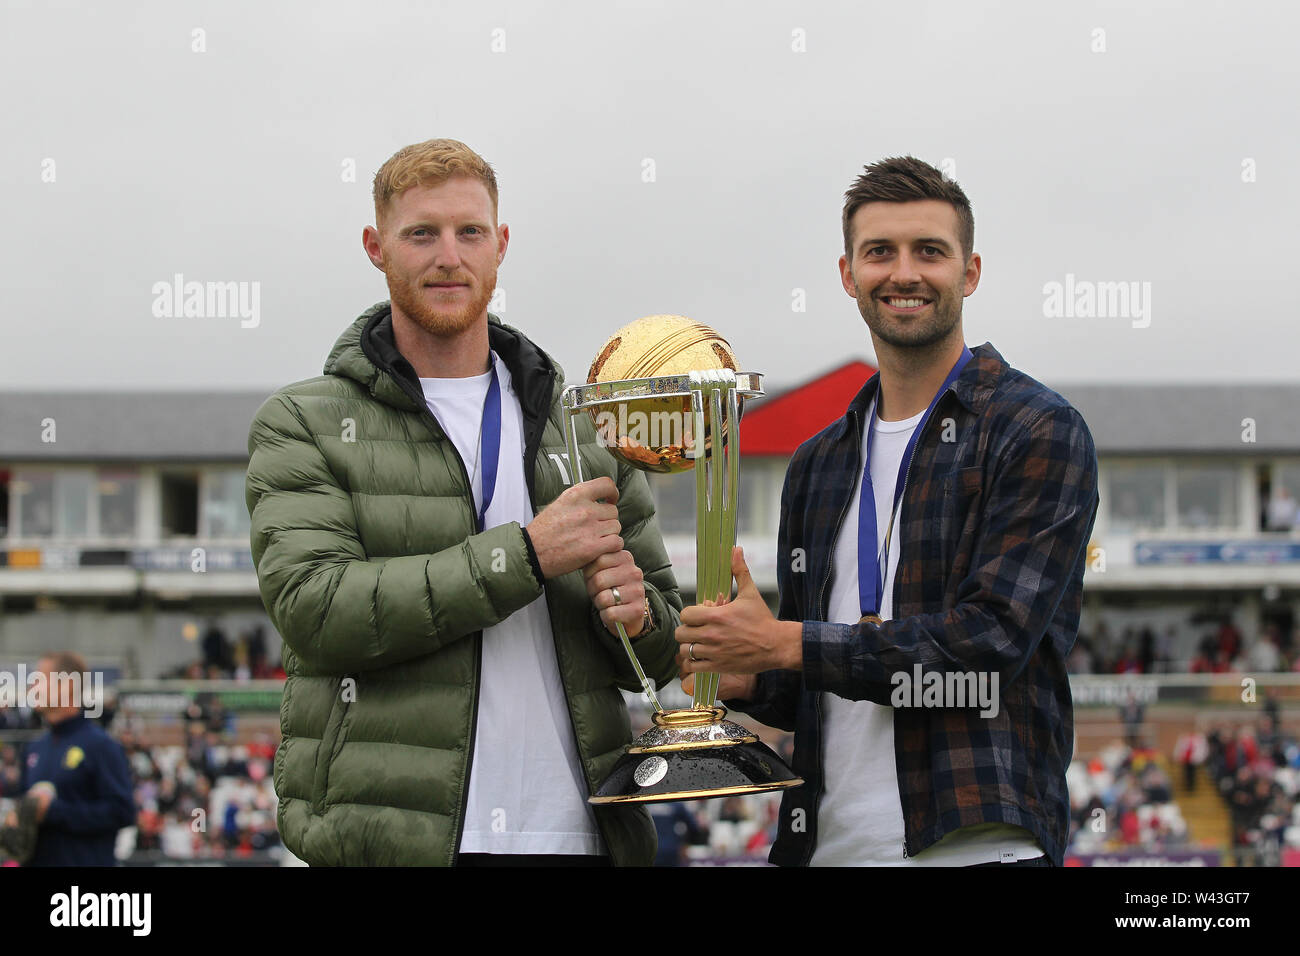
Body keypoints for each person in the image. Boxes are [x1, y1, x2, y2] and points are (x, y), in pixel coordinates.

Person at [245, 138, 682, 866]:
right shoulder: (304, 420)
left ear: (500, 245)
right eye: (422, 233)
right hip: (396, 840)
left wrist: (635, 617)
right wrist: (528, 555)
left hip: (580, 834)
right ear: (376, 247)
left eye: (469, 232)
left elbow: (664, 652)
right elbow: (316, 611)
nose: (449, 256)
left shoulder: (584, 427)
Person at [674, 156, 1099, 866]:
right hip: (827, 847)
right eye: (880, 252)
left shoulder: (1033, 429)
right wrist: (750, 675)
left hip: (977, 844)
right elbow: (822, 680)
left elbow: (990, 645)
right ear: (848, 275)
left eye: (929, 251)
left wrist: (784, 644)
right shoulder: (819, 461)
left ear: (970, 272)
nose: (904, 273)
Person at [6, 652, 135, 866]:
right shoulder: (34, 748)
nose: (32, 688)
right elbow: (25, 805)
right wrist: (17, 817)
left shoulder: (101, 746)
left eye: (39, 680)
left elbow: (122, 813)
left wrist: (54, 811)